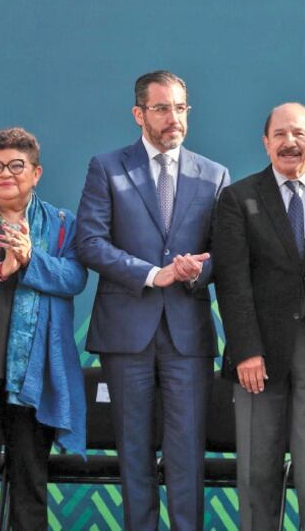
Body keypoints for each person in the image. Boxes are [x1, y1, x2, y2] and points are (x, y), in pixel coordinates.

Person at [76, 70, 230, 530]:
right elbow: (90, 242)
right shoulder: (107, 167)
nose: (173, 118)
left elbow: (224, 254)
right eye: (162, 108)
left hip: (188, 336)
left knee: (188, 455)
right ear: (138, 114)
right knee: (134, 453)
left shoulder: (214, 174)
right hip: (126, 334)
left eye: (180, 108)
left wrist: (196, 271)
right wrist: (151, 274)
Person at [212, 103, 305, 531]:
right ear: (265, 143)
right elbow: (231, 280)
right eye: (280, 134)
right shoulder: (238, 197)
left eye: (299, 134)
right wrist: (246, 349)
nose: (289, 142)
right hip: (259, 356)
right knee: (258, 472)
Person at [0, 128, 87, 531]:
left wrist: (30, 260)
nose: (5, 174)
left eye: (16, 165)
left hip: (33, 378)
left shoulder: (61, 225)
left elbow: (75, 277)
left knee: (29, 487)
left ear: (36, 173)